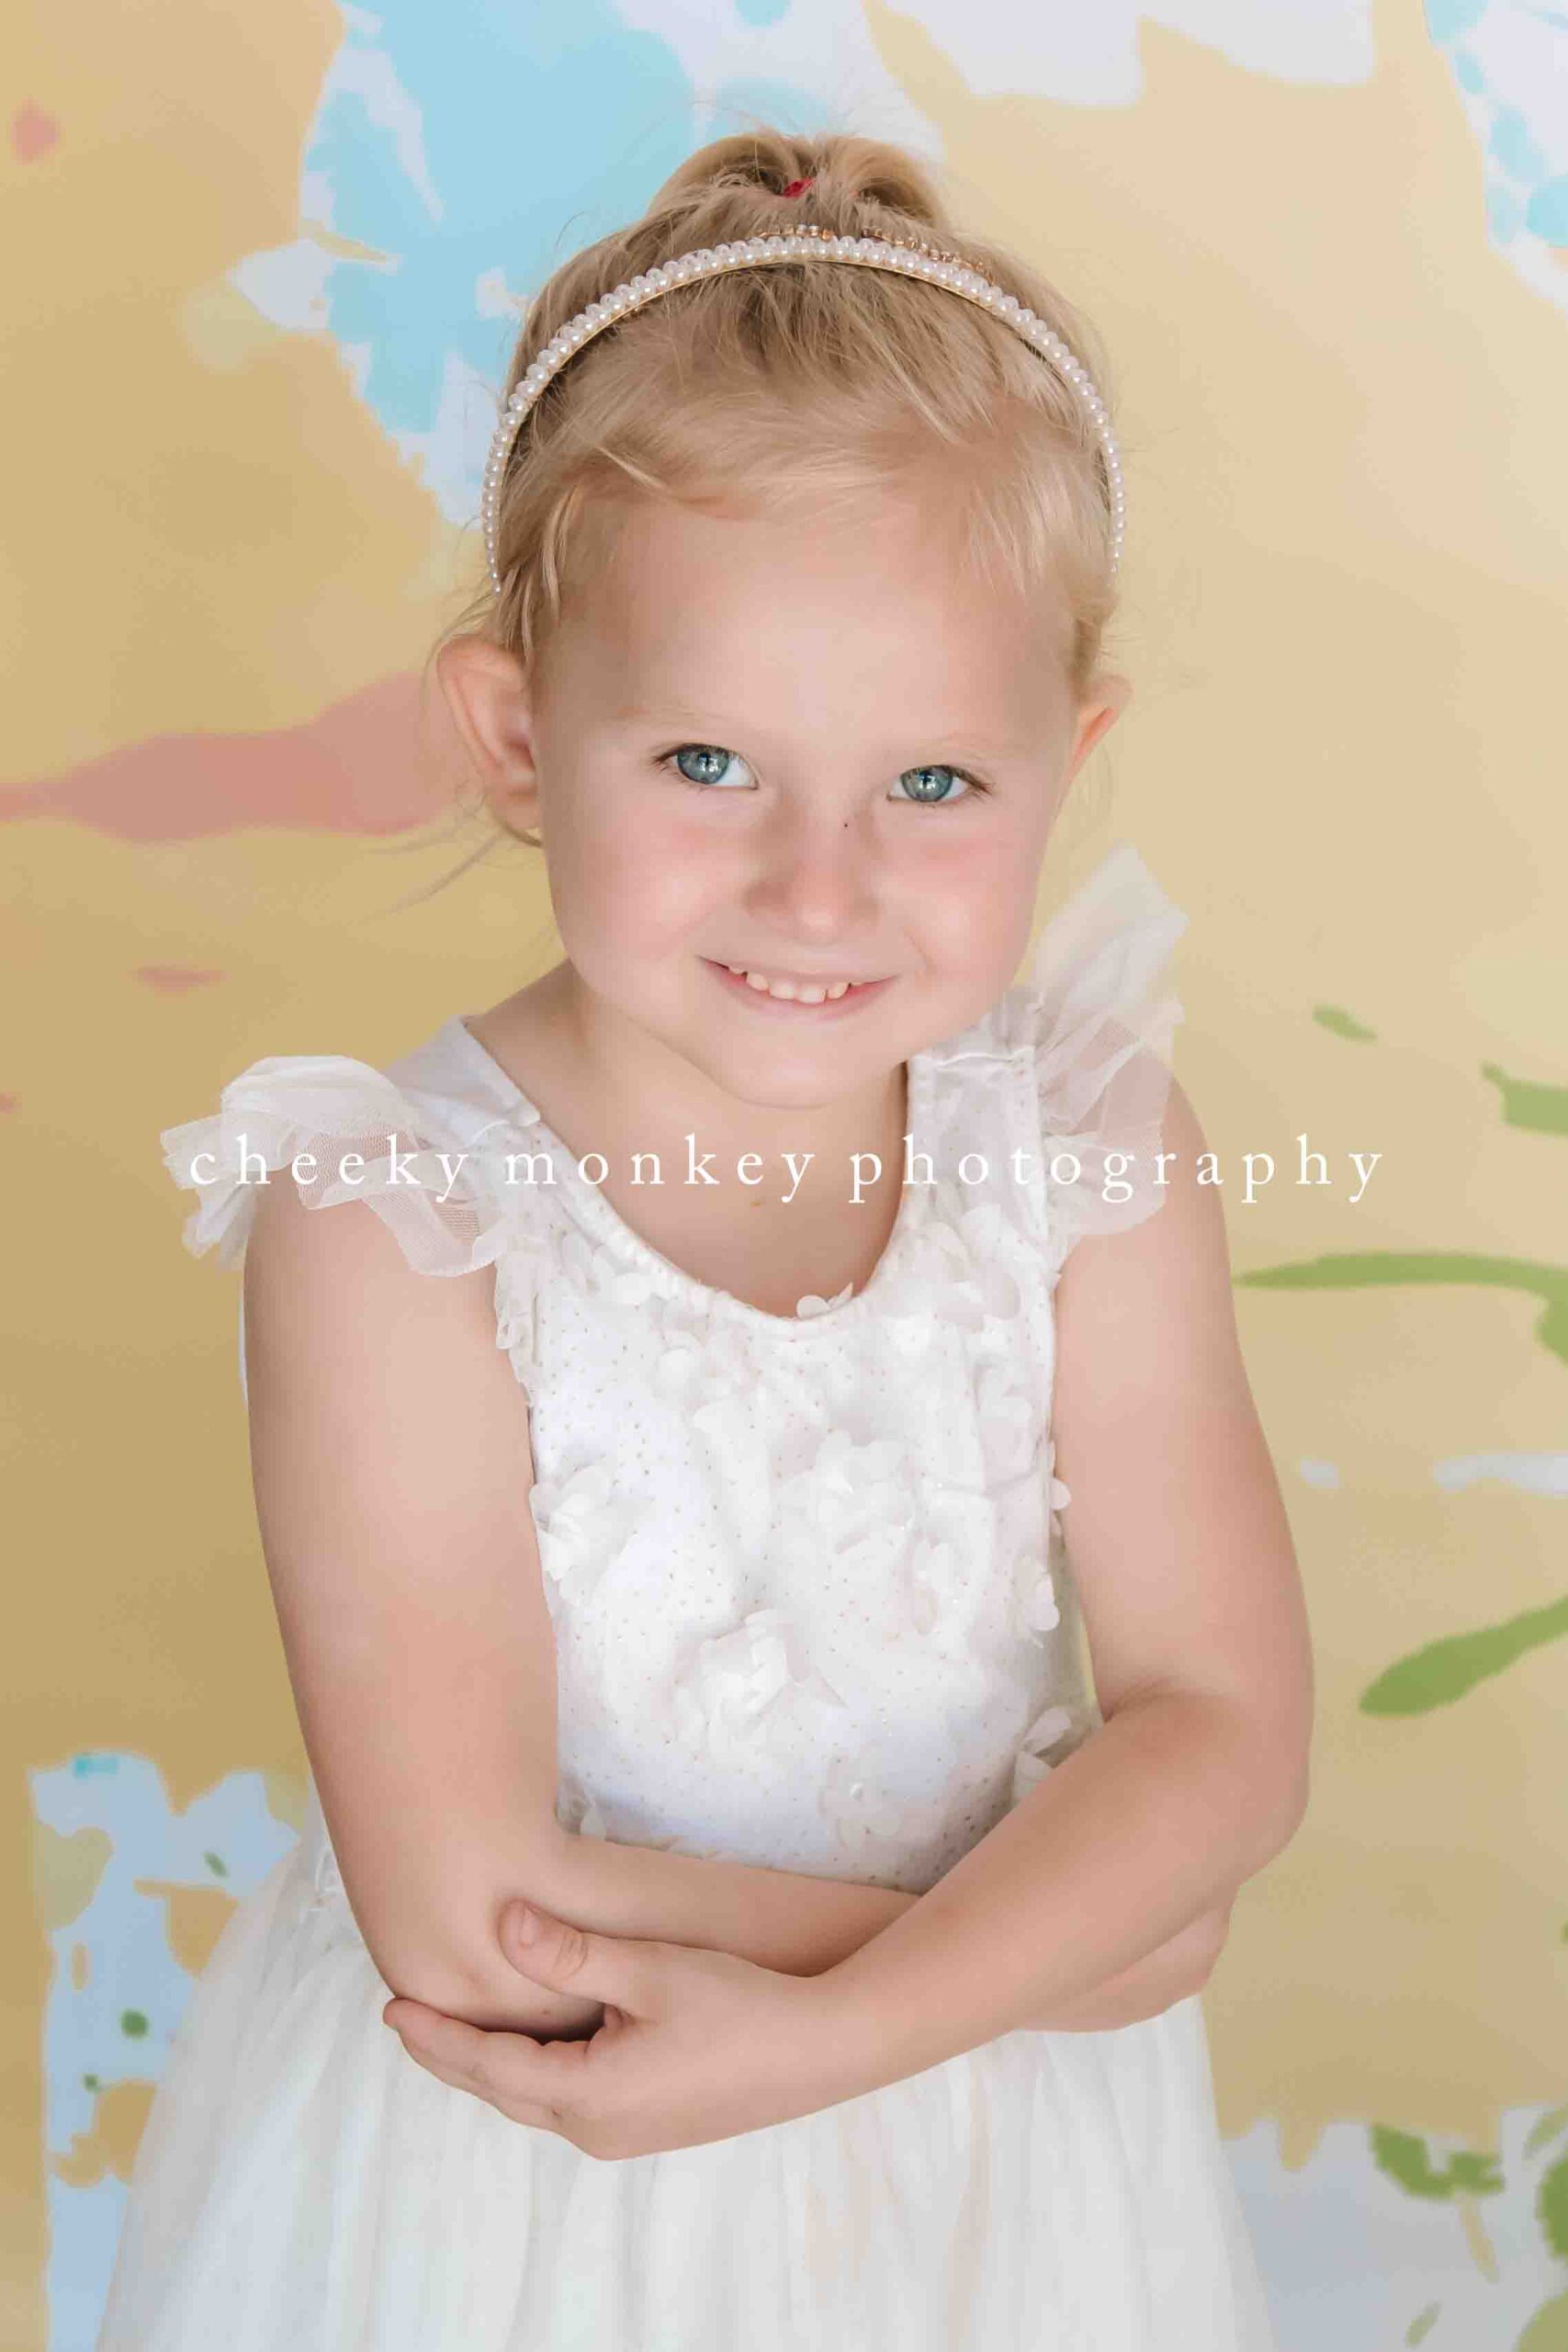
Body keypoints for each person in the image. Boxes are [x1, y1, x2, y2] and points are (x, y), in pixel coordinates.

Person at [96, 128, 1311, 2350]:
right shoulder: (390, 1224)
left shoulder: (1085, 1150)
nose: (816, 885)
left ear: (1065, 759)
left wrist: (858, 2027)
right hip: (526, 2204)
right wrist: (1071, 1932)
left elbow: (1219, 1721)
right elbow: (477, 1915)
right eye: (704, 764)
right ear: (517, 736)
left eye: (931, 784)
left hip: (992, 2196)